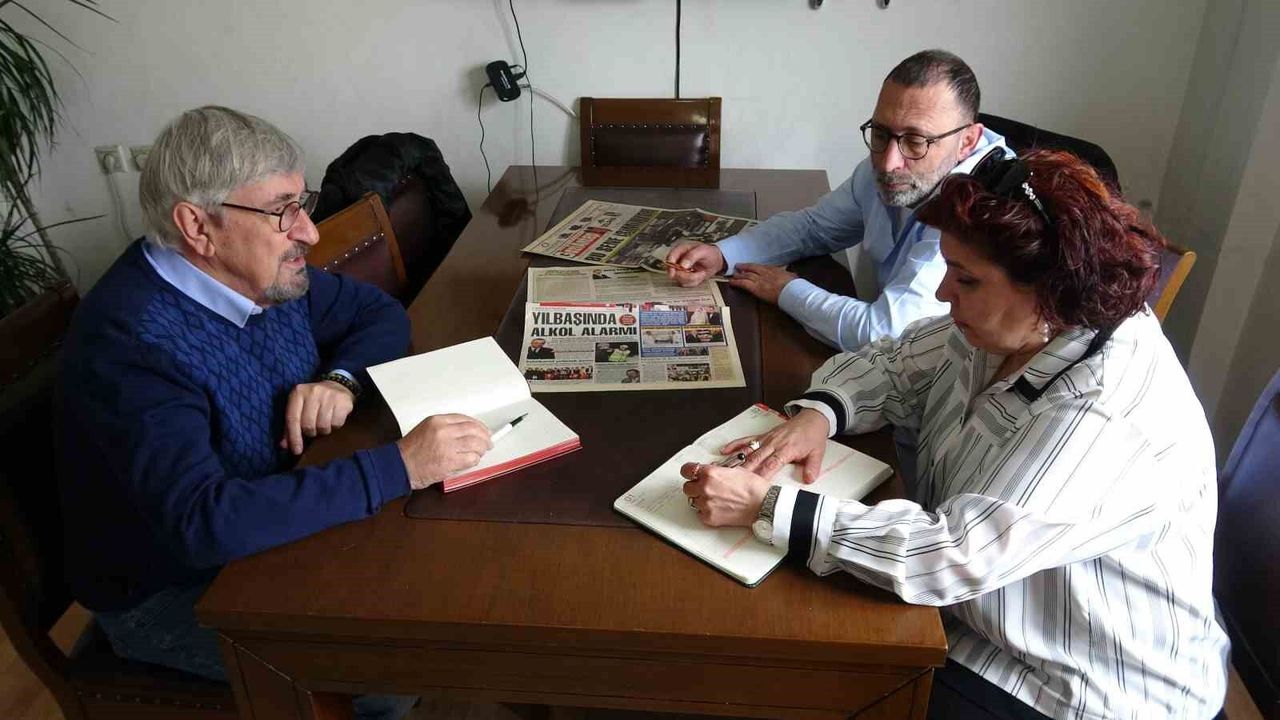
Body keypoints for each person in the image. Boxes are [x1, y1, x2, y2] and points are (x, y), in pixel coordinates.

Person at [679, 150, 1229, 719]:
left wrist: (768, 506)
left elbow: (955, 555)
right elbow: (894, 363)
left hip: (1079, 686)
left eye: (966, 279)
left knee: (793, 680)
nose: (944, 293)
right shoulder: (1016, 326)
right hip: (981, 624)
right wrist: (819, 414)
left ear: (1051, 288)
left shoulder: (1104, 409)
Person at [55, 106, 494, 720]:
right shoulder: (130, 345)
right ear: (197, 225)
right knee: (388, 671)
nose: (308, 232)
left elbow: (379, 314)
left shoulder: (257, 273)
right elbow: (203, 523)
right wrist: (399, 467)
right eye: (281, 210)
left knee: (448, 570)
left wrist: (340, 381)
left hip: (266, 518)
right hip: (172, 591)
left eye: (301, 202)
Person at [667, 49, 1012, 353]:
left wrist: (787, 290)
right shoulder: (886, 167)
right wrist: (723, 254)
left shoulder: (977, 210)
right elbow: (814, 228)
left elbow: (885, 334)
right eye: (881, 133)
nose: (888, 162)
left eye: (916, 141)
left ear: (967, 142)